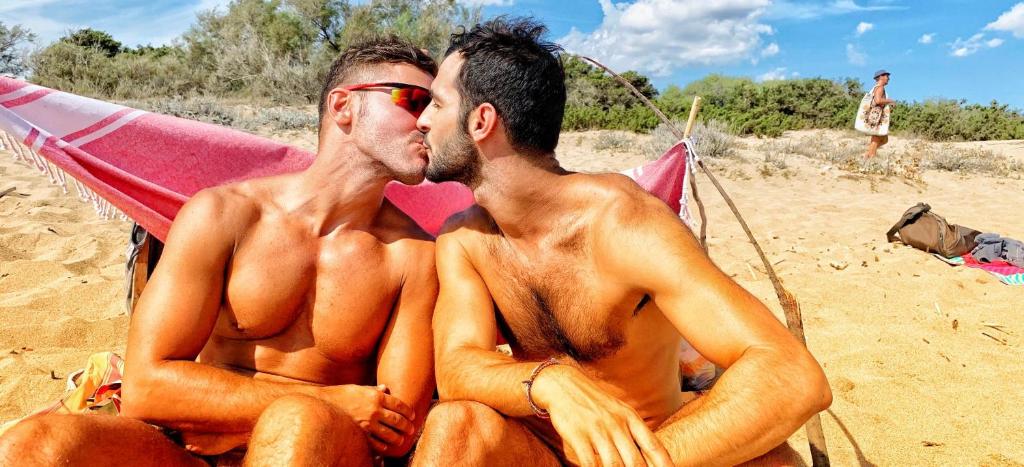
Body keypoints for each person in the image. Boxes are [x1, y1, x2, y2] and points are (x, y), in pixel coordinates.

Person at [411, 17, 832, 466]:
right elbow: (456, 367)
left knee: (776, 460)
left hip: (648, 446)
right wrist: (547, 382)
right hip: (541, 450)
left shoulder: (625, 224)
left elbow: (792, 375)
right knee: (455, 425)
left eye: (437, 103)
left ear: (481, 121)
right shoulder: (465, 239)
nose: (422, 120)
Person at [0, 36, 439, 467]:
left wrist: (299, 411)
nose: (428, 121)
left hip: (318, 446)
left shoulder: (414, 256)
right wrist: (329, 400)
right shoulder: (225, 215)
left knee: (300, 423)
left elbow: (397, 429)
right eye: (414, 101)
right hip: (190, 446)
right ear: (343, 106)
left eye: (437, 107)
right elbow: (146, 387)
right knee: (32, 444)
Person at [864, 69, 895, 159]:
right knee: (877, 137)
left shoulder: (877, 87)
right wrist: (890, 101)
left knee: (884, 139)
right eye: (887, 76)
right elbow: (878, 100)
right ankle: (870, 157)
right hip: (877, 117)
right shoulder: (880, 87)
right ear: (881, 77)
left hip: (876, 116)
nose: (888, 78)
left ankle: (868, 154)